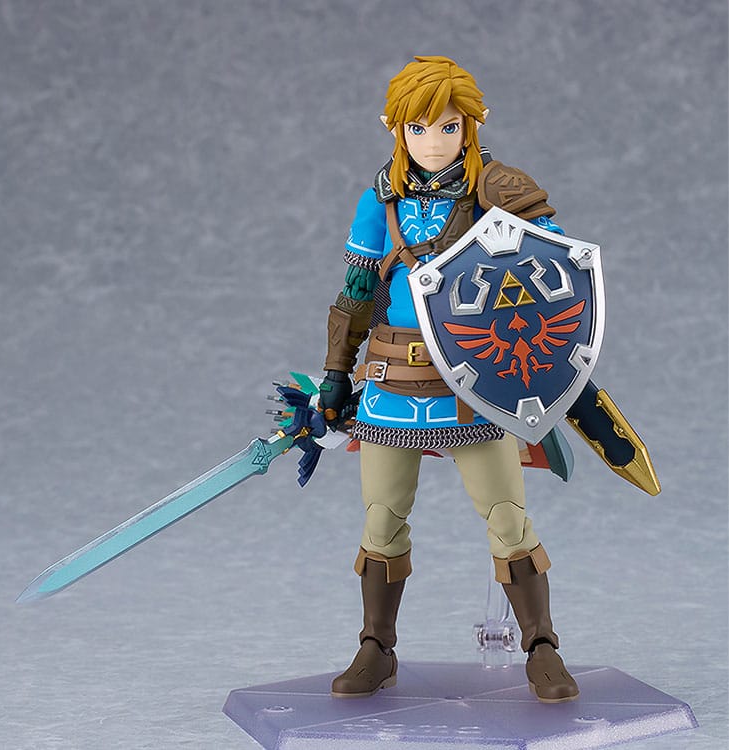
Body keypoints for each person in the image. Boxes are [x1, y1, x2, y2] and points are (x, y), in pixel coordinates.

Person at [318, 55, 579, 704]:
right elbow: (356, 292)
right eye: (417, 129)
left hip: (474, 382)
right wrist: (335, 372)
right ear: (395, 130)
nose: (432, 142)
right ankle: (376, 647)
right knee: (381, 522)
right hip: (390, 378)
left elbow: (557, 274)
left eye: (447, 127)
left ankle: (541, 646)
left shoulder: (498, 193)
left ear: (469, 127)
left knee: (508, 519)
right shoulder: (378, 202)